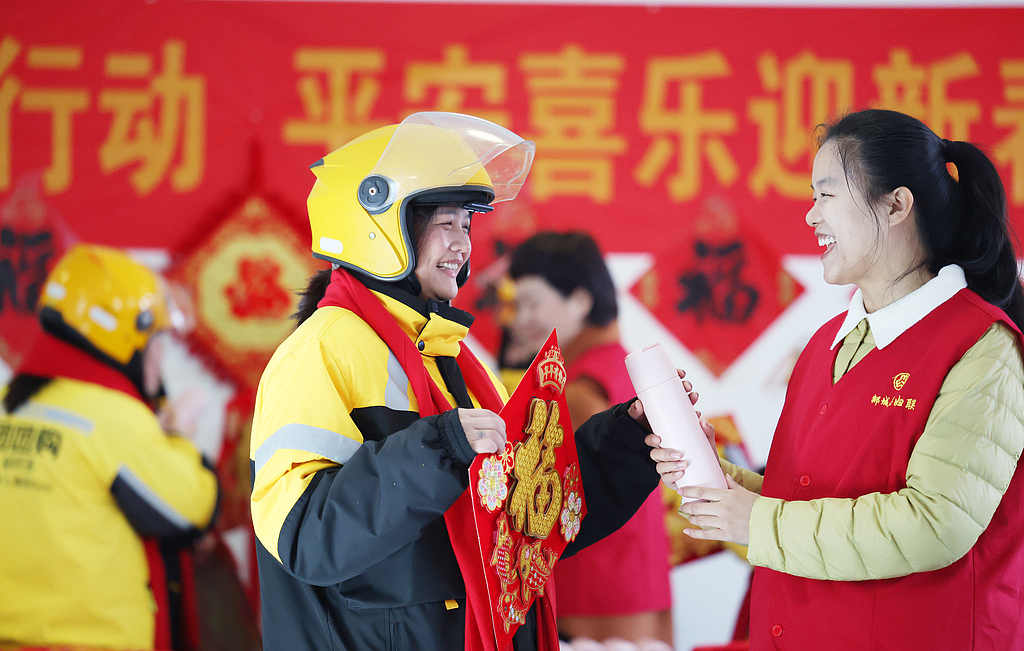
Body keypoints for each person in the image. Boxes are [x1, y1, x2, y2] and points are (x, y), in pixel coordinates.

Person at [248, 112, 663, 651]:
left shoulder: (451, 358)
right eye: (445, 223)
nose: (463, 246)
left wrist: (625, 445)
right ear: (374, 224)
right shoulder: (319, 352)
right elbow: (304, 537)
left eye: (467, 225)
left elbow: (525, 526)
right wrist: (439, 448)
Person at [648, 108, 1024, 650]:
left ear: (896, 205)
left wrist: (755, 522)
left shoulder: (982, 347)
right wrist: (711, 473)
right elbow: (803, 499)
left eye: (826, 194)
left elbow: (934, 523)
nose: (810, 216)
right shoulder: (828, 341)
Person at [0, 244, 219, 650]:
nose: (160, 355)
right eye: (158, 339)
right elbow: (193, 508)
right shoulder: (111, 415)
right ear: (127, 338)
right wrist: (180, 437)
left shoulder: (10, 403)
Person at [505, 231, 673, 646]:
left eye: (531, 302)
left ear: (580, 300)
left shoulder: (575, 389)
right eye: (516, 304)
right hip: (636, 586)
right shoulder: (621, 364)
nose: (518, 319)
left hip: (592, 596)